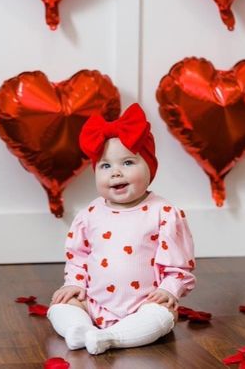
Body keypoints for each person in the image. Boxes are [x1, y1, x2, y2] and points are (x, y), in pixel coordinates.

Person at [47, 103, 196, 355]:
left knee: (162, 316)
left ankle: (112, 337)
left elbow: (178, 264)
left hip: (145, 302)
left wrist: (167, 290)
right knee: (61, 305)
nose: (116, 172)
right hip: (94, 300)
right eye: (105, 166)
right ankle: (78, 328)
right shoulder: (90, 214)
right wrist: (74, 283)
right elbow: (78, 256)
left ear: (150, 168)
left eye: (128, 162)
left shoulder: (164, 212)